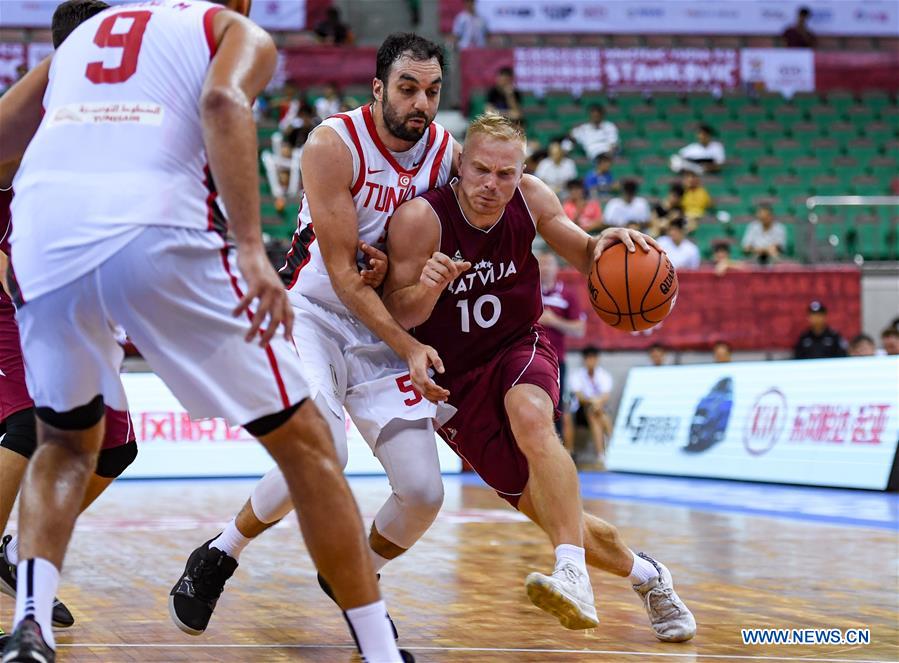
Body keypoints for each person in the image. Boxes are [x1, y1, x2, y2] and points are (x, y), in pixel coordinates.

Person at [0, 2, 408, 662]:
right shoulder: (230, 30)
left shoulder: (86, 36)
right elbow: (223, 102)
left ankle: (29, 626)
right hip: (155, 227)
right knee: (309, 446)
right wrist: (251, 247)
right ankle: (381, 652)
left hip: (44, 235)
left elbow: (1, 138)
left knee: (65, 444)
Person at [169, 32, 457, 649]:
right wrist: (407, 342)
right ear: (378, 88)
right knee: (323, 450)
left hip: (383, 321)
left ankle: (355, 573)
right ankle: (219, 554)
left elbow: (498, 196)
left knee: (425, 493)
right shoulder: (333, 142)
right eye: (408, 88)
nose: (421, 103)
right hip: (313, 311)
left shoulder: (444, 151)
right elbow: (345, 277)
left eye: (432, 91)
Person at [382, 113, 696, 640]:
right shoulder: (422, 219)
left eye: (506, 174)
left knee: (531, 416)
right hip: (455, 383)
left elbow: (584, 250)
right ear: (461, 165)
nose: (493, 184)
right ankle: (649, 576)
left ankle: (571, 573)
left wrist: (606, 245)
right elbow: (397, 314)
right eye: (482, 170)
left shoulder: (530, 198)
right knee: (557, 516)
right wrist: (428, 288)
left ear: (521, 172)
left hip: (518, 346)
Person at [538, 251, 586, 445]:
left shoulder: (568, 294)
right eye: (541, 264)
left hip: (556, 361)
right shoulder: (527, 292)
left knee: (556, 408)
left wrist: (554, 321)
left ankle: (556, 453)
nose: (545, 268)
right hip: (528, 359)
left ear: (557, 268)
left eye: (549, 264)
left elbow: (579, 330)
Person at [569, 346, 613, 469]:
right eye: (588, 358)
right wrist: (593, 401)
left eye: (593, 358)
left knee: (595, 414)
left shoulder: (604, 375)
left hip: (598, 409)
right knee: (594, 411)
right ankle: (613, 443)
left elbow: (606, 396)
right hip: (580, 412)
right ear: (584, 359)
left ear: (597, 359)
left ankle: (601, 455)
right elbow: (579, 396)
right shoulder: (576, 375)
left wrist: (596, 402)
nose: (591, 361)